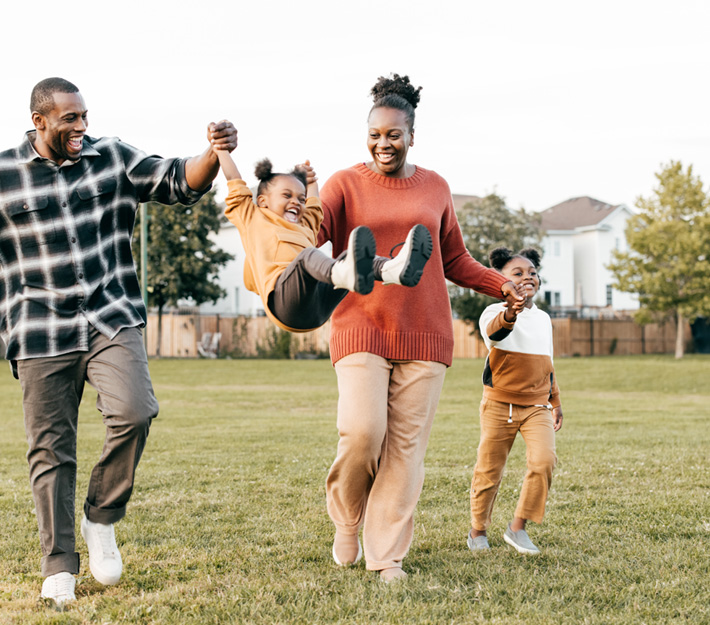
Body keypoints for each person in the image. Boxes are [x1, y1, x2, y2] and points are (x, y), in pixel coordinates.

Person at [0, 77, 237, 607]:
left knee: (135, 411)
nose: (82, 126)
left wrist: (213, 153)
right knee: (50, 450)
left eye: (84, 116)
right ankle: (58, 565)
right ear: (39, 121)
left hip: (110, 316)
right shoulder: (4, 176)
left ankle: (100, 518)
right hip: (39, 328)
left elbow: (179, 180)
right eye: (69, 119)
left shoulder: (110, 157)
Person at [316, 73, 525, 582]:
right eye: (374, 134)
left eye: (393, 134)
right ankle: (347, 516)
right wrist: (292, 204)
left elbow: (454, 258)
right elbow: (311, 237)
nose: (383, 143)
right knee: (364, 433)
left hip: (425, 334)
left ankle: (386, 555)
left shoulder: (435, 186)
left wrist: (503, 286)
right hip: (361, 324)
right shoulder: (343, 183)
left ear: (412, 135)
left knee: (405, 451)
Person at [216, 148, 433, 332]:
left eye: (300, 199)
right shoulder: (253, 218)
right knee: (310, 256)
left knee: (348, 257)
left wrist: (310, 181)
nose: (296, 202)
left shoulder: (306, 227)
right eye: (287, 195)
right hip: (284, 306)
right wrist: (221, 150)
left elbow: (314, 206)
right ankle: (344, 273)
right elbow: (235, 182)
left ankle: (393, 270)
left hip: (318, 309)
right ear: (262, 201)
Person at [468, 247, 563, 556]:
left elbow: (547, 361)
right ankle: (478, 530)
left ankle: (517, 527)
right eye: (518, 273)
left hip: (537, 406)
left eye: (532, 272)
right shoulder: (492, 313)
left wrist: (556, 400)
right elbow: (496, 334)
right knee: (489, 469)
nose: (527, 277)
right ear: (502, 280)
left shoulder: (544, 319)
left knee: (544, 461)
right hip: (499, 405)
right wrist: (511, 311)